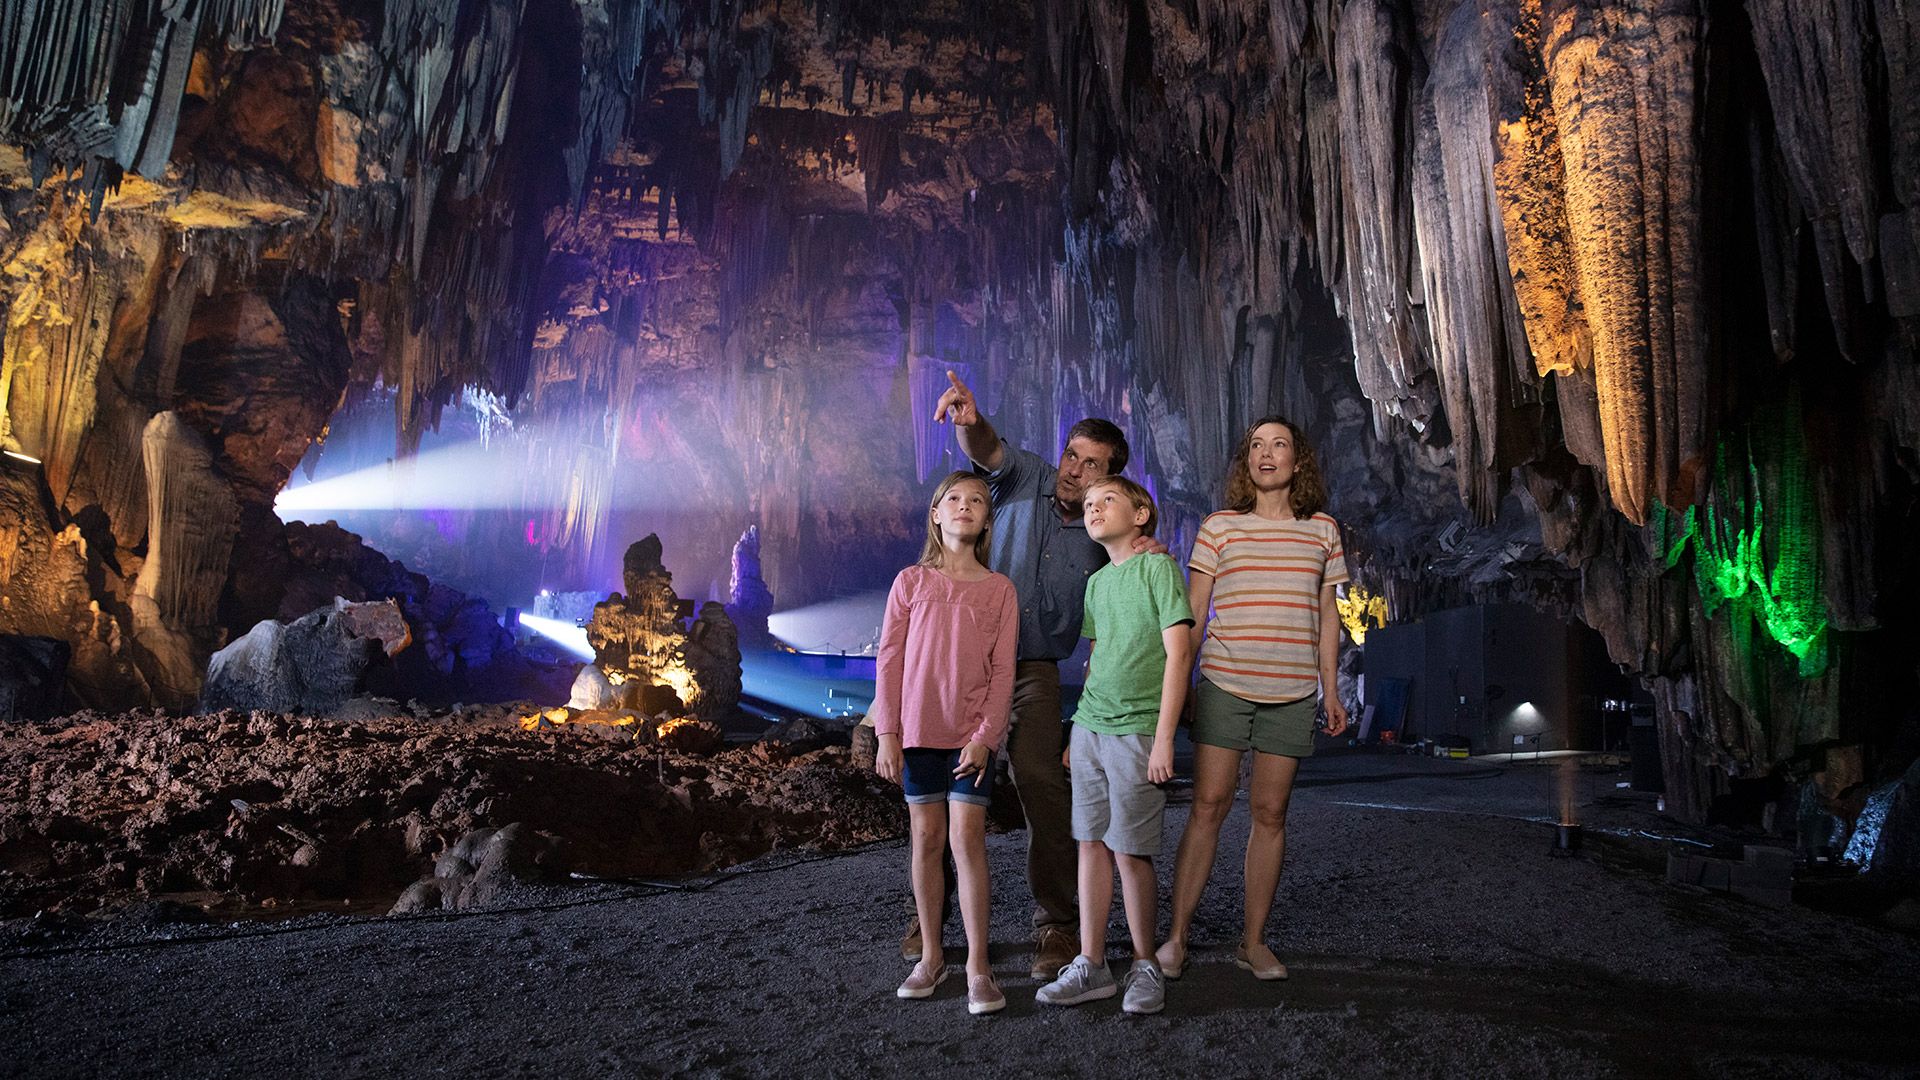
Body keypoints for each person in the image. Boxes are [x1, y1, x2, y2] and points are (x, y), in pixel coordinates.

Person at [927, 371, 1162, 981]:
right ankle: (927, 920)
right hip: (967, 659)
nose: (1074, 471)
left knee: (1038, 775)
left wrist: (1147, 544)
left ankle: (1058, 923)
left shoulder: (1101, 526)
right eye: (1072, 455)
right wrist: (970, 422)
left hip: (1033, 667)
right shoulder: (1027, 476)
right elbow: (987, 450)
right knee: (943, 777)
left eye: (1091, 466)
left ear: (1108, 478)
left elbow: (1131, 561)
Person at [1155, 416, 1349, 983]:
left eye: (1279, 444)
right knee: (1209, 804)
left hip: (1292, 691)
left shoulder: (1323, 531)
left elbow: (1329, 616)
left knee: (1270, 813)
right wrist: (1182, 686)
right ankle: (1176, 937)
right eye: (1257, 446)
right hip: (1225, 682)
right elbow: (1194, 614)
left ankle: (1253, 941)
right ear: (1247, 462)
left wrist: (1331, 689)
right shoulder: (1219, 527)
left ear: (1297, 460)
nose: (1267, 453)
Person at [1035, 475, 1193, 1015]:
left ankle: (1146, 963)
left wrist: (1164, 739)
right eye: (1088, 504)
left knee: (1130, 850)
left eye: (1108, 500)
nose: (1094, 508)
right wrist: (1075, 731)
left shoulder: (1158, 569)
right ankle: (1093, 963)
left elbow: (1179, 655)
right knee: (1090, 843)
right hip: (1090, 729)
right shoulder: (1097, 583)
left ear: (1141, 514)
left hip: (1138, 730)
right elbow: (1097, 657)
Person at [873, 471, 1021, 1015]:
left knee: (967, 840)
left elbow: (1003, 673)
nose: (965, 506)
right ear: (936, 514)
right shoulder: (910, 582)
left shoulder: (1000, 590)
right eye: (953, 498)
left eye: (977, 500)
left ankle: (979, 965)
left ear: (986, 520)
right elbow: (889, 661)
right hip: (918, 735)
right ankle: (932, 956)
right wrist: (888, 733)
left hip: (970, 739)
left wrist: (986, 737)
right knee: (926, 838)